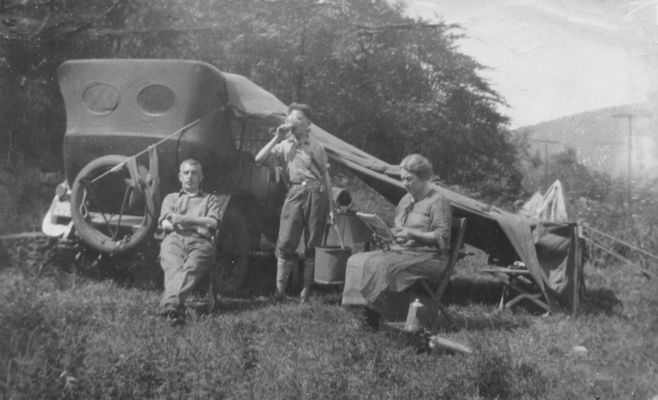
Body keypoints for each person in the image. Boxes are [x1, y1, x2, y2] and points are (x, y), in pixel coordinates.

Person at [341, 154, 452, 323]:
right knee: (355, 260)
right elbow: (399, 228)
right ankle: (359, 311)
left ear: (423, 178)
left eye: (409, 179)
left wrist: (412, 234)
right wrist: (385, 235)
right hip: (402, 251)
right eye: (402, 179)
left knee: (380, 265)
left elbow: (441, 237)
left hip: (430, 256)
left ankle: (374, 313)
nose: (405, 184)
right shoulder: (406, 199)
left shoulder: (437, 201)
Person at [255, 103, 334, 302]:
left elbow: (326, 177)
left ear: (308, 124)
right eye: (290, 118)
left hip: (317, 192)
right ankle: (279, 293)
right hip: (295, 191)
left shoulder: (316, 147)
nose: (292, 122)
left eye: (298, 118)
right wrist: (276, 137)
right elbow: (258, 158)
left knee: (311, 243)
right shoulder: (283, 145)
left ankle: (305, 292)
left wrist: (331, 207)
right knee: (285, 240)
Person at [158, 159, 221, 323]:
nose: (190, 176)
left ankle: (170, 305)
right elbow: (165, 224)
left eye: (194, 173)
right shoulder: (171, 198)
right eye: (186, 173)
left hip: (200, 242)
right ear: (180, 177)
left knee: (191, 267)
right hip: (174, 239)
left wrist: (184, 220)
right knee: (172, 266)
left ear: (201, 177)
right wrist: (198, 224)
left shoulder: (210, 199)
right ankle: (173, 309)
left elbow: (213, 223)